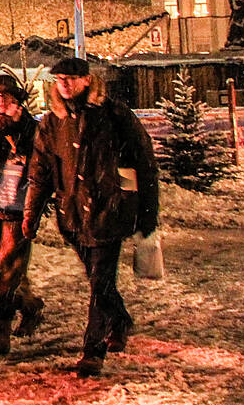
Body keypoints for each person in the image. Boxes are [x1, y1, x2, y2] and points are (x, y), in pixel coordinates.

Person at [24, 58, 159, 377]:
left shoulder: (113, 115)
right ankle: (121, 320)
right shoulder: (52, 121)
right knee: (99, 281)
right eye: (59, 79)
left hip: (108, 213)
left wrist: (136, 205)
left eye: (71, 78)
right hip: (72, 215)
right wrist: (32, 212)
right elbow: (41, 170)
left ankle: (92, 351)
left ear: (87, 80)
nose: (64, 84)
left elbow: (140, 163)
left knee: (100, 282)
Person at [0, 74, 44, 354]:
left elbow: (39, 157)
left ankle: (0, 330)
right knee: (1, 264)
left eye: (8, 97)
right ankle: (30, 306)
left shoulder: (31, 126)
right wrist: (5, 123)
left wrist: (19, 125)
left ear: (17, 100)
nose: (2, 101)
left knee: (10, 265)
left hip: (20, 202)